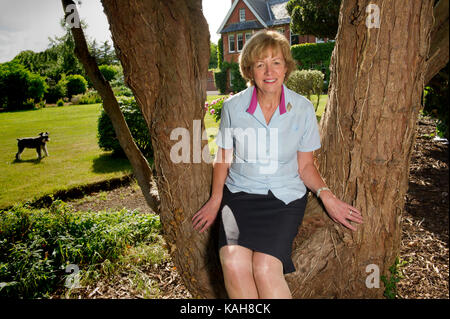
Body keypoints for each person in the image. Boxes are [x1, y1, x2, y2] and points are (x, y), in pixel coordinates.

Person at [192, 30, 363, 299]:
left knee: (264, 268)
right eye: (260, 64)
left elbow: (306, 165)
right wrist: (215, 199)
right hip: (239, 197)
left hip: (283, 199)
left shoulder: (303, 108)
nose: (268, 71)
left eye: (276, 62)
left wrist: (327, 197)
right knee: (234, 263)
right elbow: (223, 156)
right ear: (250, 69)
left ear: (286, 67)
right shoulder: (233, 108)